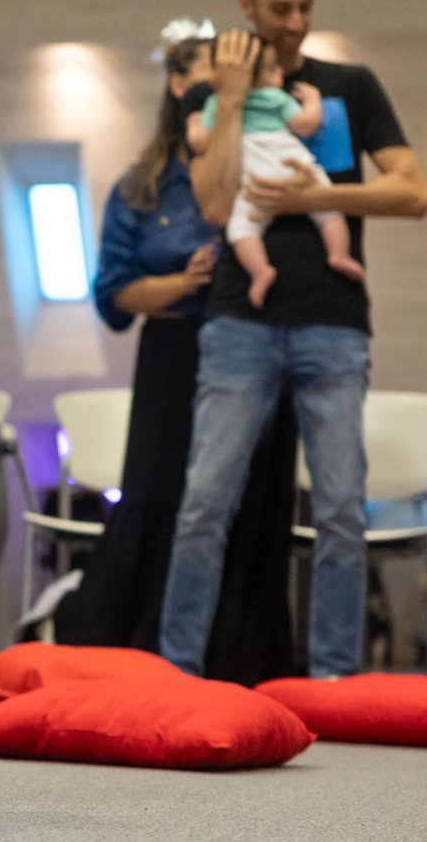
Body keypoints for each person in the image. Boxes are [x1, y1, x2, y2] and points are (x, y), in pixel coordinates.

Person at [159, 0, 427, 680]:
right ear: (245, 7)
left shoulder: (347, 84)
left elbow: (413, 192)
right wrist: (237, 94)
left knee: (341, 507)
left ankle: (334, 677)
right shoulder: (210, 93)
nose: (295, 21)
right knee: (204, 503)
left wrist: (318, 197)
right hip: (238, 326)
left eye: (306, 5)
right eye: (279, 8)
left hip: (333, 322)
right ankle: (178, 673)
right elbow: (216, 203)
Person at [51, 33, 300, 687]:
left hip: (256, 345)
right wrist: (183, 286)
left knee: (250, 502)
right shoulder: (143, 187)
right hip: (175, 354)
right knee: (163, 497)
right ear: (179, 86)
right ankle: (156, 648)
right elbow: (113, 296)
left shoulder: (264, 159)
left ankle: (245, 655)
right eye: (214, 76)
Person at [191, 36, 361, 307]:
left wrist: (196, 123)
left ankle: (260, 272)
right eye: (272, 69)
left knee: (241, 228)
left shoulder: (215, 103)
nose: (281, 73)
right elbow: (306, 125)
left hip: (254, 177)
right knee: (329, 209)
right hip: (292, 163)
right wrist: (313, 101)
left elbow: (201, 141)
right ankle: (339, 254)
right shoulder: (275, 97)